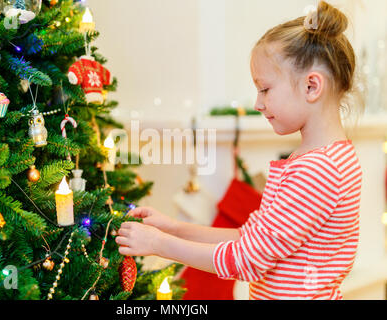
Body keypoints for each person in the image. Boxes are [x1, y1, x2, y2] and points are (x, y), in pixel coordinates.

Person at [115, 1, 363, 300]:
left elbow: (247, 259)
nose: (257, 103)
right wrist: (172, 229)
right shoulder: (326, 160)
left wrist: (159, 245)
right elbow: (250, 239)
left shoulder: (318, 171)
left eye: (265, 89)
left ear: (312, 87)